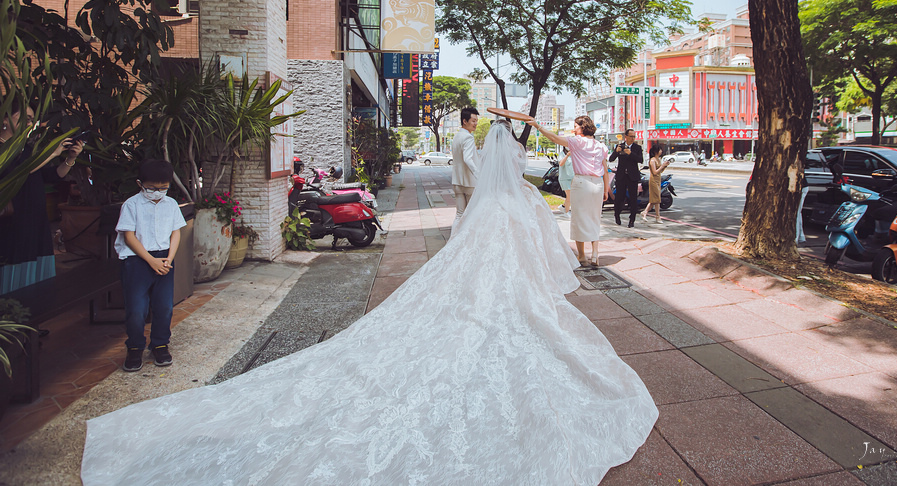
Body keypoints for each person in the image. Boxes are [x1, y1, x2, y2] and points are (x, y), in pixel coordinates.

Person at [81, 119, 657, 485]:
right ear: (519, 162)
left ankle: (147, 349)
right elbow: (542, 260)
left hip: (471, 293)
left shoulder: (483, 207)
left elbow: (463, 250)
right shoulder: (529, 203)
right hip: (513, 296)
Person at [0, 101, 83, 294]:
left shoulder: (28, 149)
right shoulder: (3, 149)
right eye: (25, 118)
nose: (30, 123)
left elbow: (53, 175)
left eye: (32, 119)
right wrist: (52, 152)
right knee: (13, 262)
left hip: (35, 218)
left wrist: (70, 158)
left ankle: (34, 316)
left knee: (36, 267)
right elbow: (20, 171)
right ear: (5, 119)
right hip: (12, 220)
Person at [113, 159, 186, 373]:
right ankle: (135, 346)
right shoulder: (131, 205)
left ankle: (160, 344)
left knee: (164, 307)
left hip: (164, 259)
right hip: (137, 260)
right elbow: (129, 236)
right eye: (152, 188)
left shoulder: (171, 204)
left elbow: (176, 232)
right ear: (140, 183)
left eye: (163, 188)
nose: (158, 192)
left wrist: (169, 259)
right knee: (137, 309)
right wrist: (150, 260)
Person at [529, 116, 608, 267]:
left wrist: (538, 127)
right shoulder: (601, 146)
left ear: (583, 127)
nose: (574, 129)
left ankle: (582, 256)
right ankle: (595, 254)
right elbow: (604, 169)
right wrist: (606, 189)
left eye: (576, 127)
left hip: (581, 182)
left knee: (579, 218)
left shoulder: (577, 142)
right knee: (595, 217)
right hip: (597, 184)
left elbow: (554, 138)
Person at [450, 106, 479, 228]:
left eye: (476, 121)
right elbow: (468, 159)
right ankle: (466, 244)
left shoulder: (456, 136)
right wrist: (479, 175)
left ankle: (454, 241)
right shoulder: (468, 137)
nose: (475, 124)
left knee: (459, 214)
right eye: (473, 121)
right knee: (471, 215)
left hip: (457, 181)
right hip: (469, 183)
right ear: (464, 121)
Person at [609, 129, 644, 228]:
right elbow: (611, 159)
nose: (632, 138)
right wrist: (616, 152)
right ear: (626, 136)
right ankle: (617, 215)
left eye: (634, 136)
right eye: (631, 136)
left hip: (632, 177)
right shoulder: (619, 146)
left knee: (633, 198)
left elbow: (640, 160)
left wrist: (630, 153)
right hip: (621, 176)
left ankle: (632, 220)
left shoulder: (637, 148)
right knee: (619, 198)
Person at [641, 145, 671, 225]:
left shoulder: (658, 159)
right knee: (656, 199)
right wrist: (662, 166)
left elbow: (660, 171)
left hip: (658, 180)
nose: (661, 151)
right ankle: (657, 216)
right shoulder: (652, 160)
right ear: (655, 151)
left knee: (655, 199)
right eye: (659, 150)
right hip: (653, 181)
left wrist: (664, 166)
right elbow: (654, 172)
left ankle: (645, 212)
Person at [556, 147, 574, 214]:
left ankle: (563, 206)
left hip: (573, 177)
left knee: (571, 196)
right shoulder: (562, 154)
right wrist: (567, 155)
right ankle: (566, 212)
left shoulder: (574, 154)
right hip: (565, 178)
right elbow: (561, 163)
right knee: (570, 196)